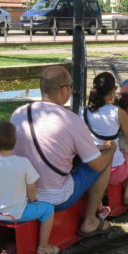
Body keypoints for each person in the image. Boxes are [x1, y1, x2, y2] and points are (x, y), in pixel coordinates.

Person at [11, 66, 115, 237]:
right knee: (105, 159)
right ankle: (90, 221)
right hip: (55, 197)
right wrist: (111, 149)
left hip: (24, 194)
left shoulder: (18, 114)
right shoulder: (71, 120)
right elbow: (97, 165)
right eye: (71, 86)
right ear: (63, 90)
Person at [0, 121, 59, 254]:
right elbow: (32, 187)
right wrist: (33, 200)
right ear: (15, 142)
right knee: (48, 209)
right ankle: (43, 247)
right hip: (17, 214)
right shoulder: (24, 163)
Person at [81, 73, 128, 206]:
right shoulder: (117, 112)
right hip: (114, 171)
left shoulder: (82, 111)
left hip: (92, 167)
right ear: (113, 90)